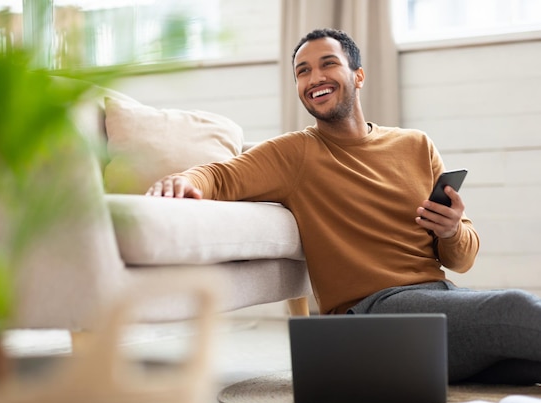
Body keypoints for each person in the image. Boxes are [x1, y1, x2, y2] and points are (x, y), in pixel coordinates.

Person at [146, 28, 541, 384]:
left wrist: (452, 230)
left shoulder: (416, 145)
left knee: (526, 364)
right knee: (516, 308)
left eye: (328, 64)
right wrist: (185, 180)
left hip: (438, 297)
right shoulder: (296, 153)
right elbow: (221, 176)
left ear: (359, 76)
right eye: (302, 71)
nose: (314, 78)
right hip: (371, 315)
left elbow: (463, 258)